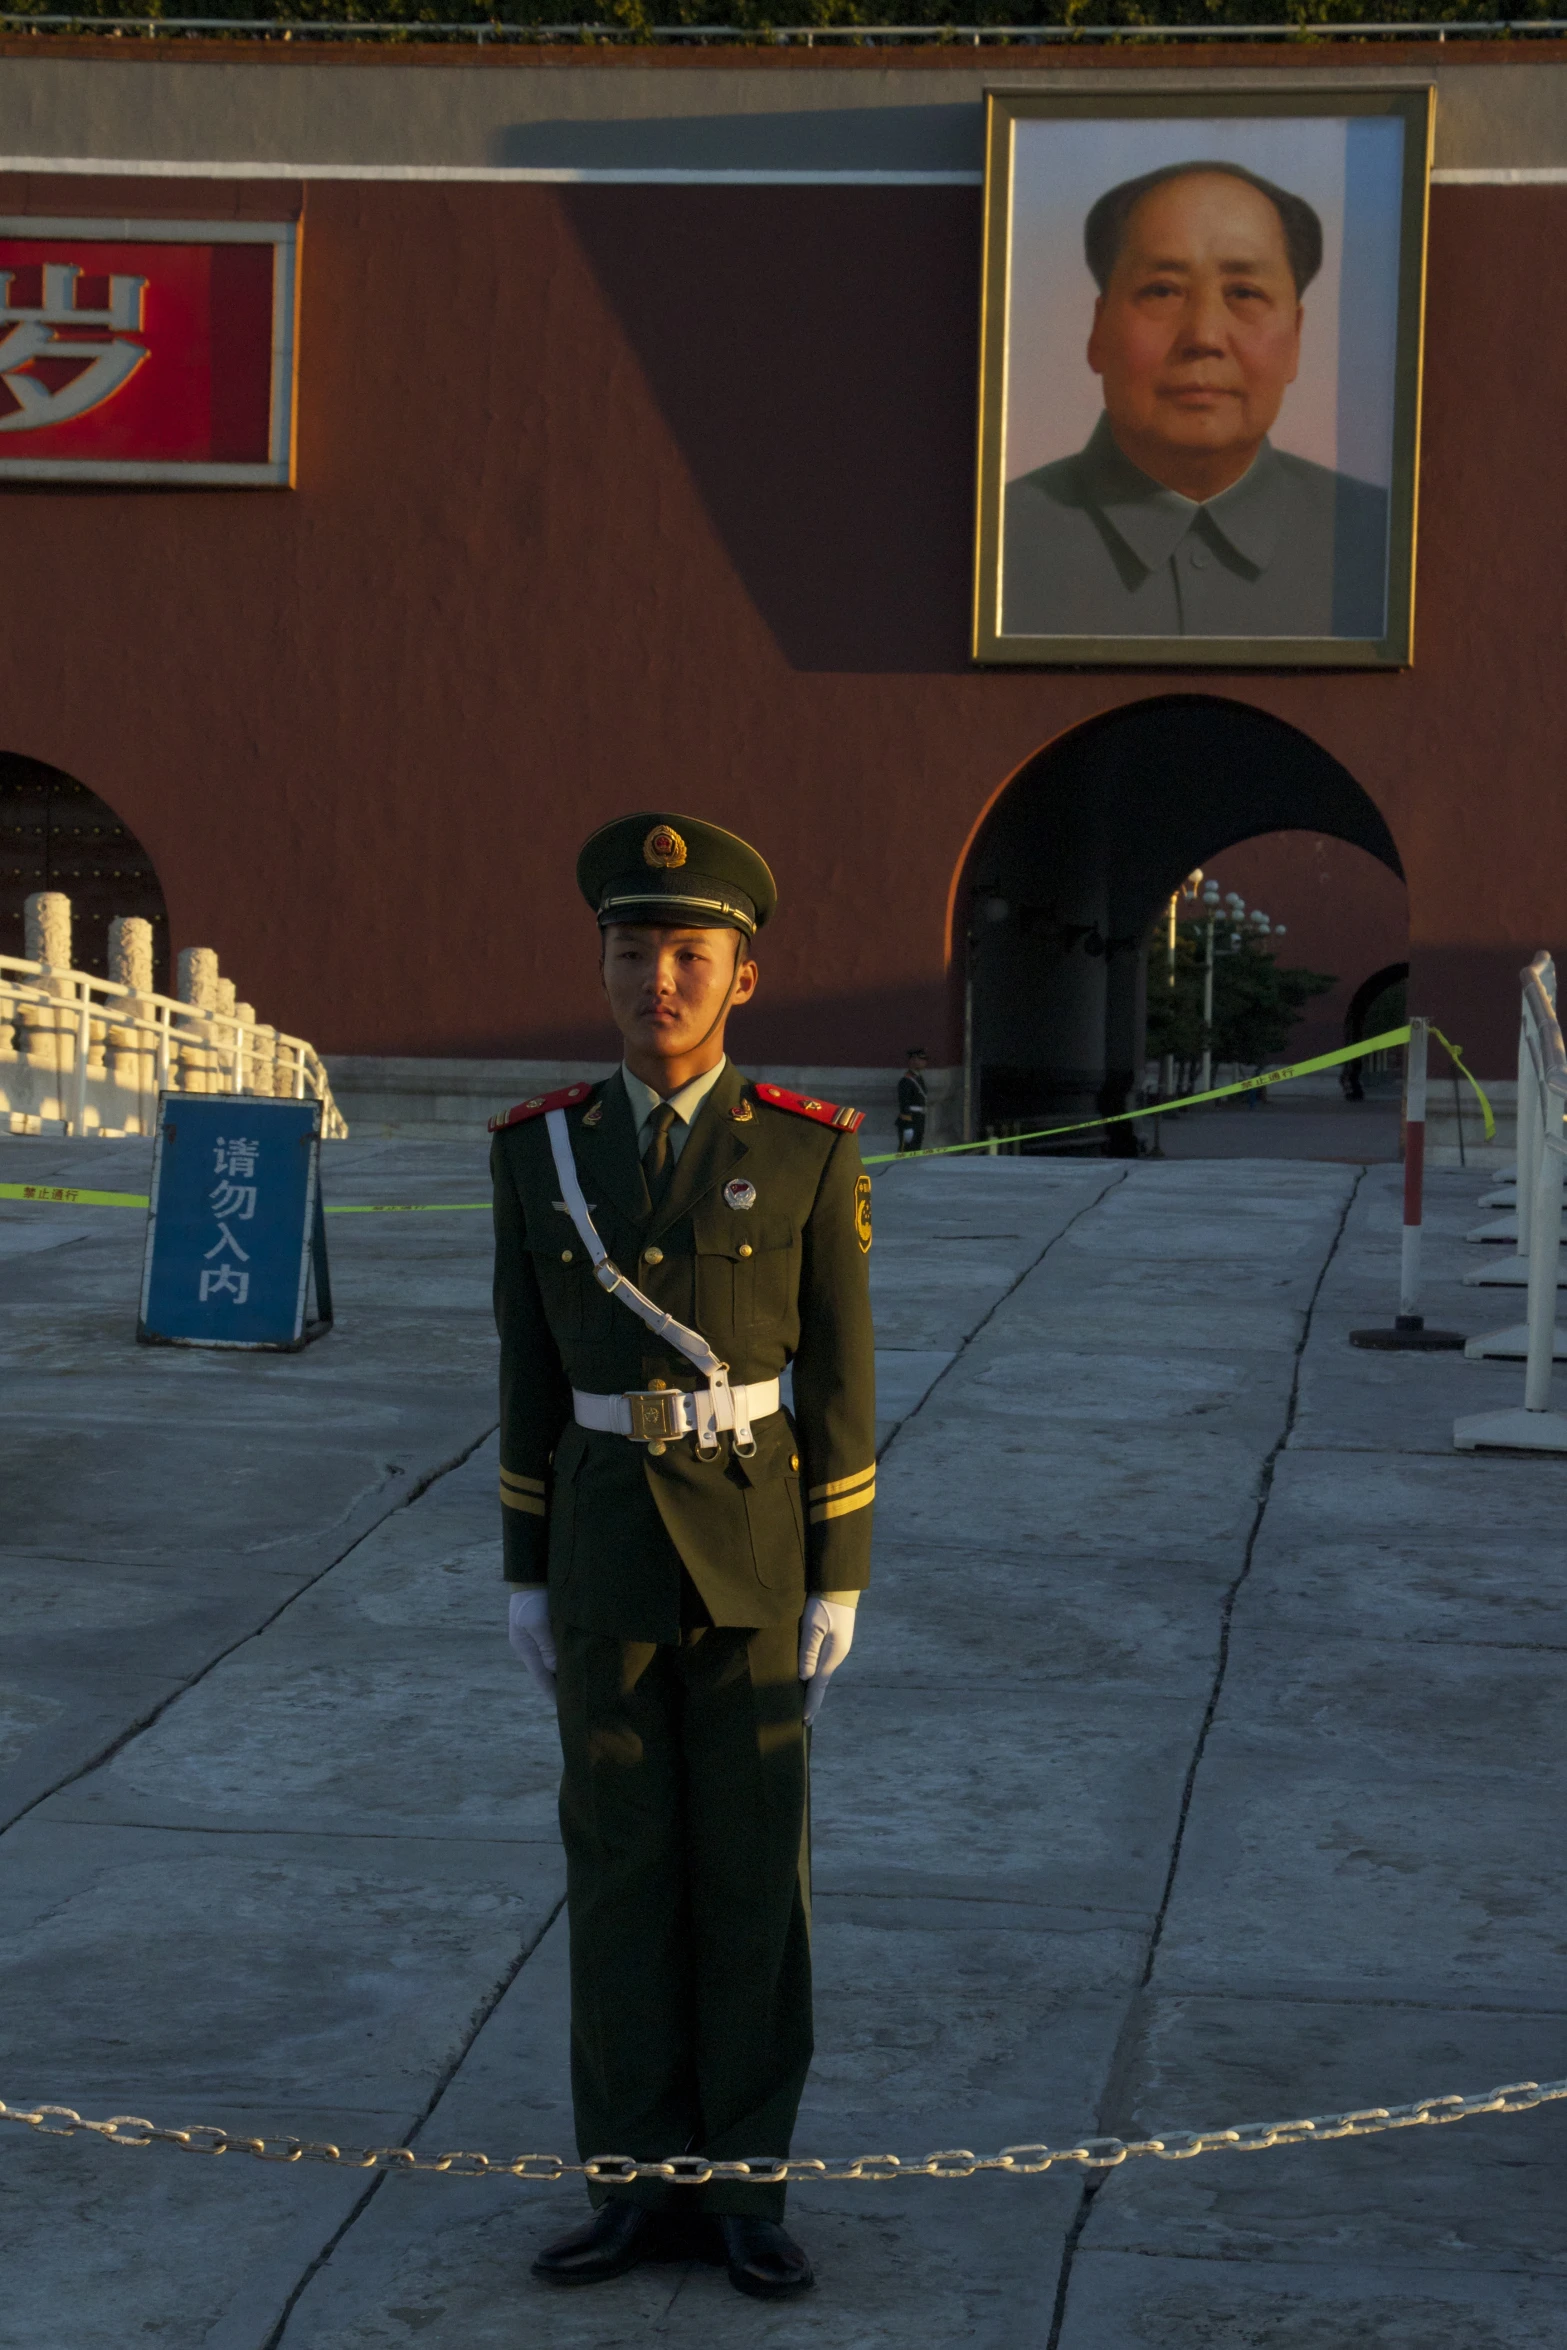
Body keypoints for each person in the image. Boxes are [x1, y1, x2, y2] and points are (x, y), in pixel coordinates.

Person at [490, 812, 876, 2301]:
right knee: (617, 1868)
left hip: (754, 1555)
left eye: (686, 954)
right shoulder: (541, 1153)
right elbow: (523, 1370)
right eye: (631, 950)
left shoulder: (802, 1143)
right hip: (600, 1556)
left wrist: (838, 1569)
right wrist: (524, 1564)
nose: (657, 977)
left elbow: (840, 1371)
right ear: (601, 963)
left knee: (747, 1876)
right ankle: (632, 2180)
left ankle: (747, 2186)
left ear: (741, 977)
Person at [1003, 160, 1389, 641]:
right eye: (1162, 291)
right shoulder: (998, 541)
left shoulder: (1382, 542)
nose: (1204, 335)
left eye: (1244, 293)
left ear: (1296, 338)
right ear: (1098, 331)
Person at [895, 1047, 929, 1153]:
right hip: (910, 1120)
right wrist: (908, 1126)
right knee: (906, 1150)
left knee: (916, 1148)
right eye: (921, 1059)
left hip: (919, 1119)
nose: (924, 1062)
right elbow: (904, 1104)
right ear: (913, 1061)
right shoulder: (906, 1081)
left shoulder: (918, 1078)